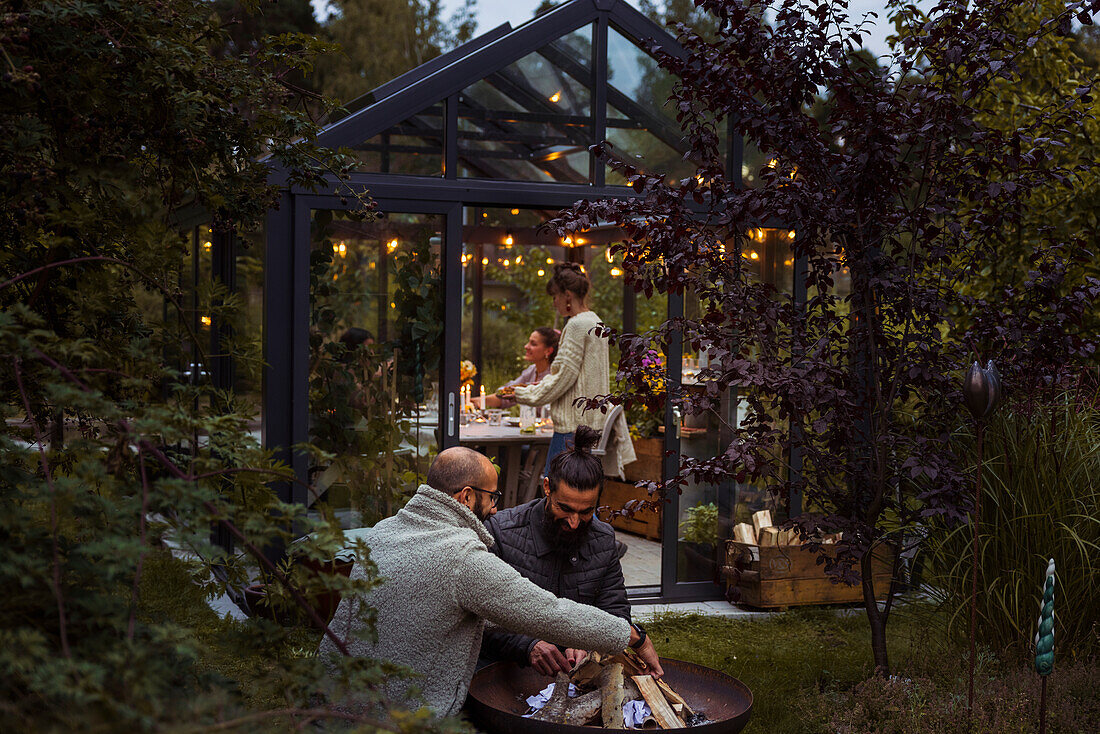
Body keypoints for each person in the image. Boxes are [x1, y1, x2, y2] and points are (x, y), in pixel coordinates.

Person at [318, 446, 647, 716]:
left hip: (328, 700)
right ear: (465, 497)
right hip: (398, 716)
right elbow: (546, 612)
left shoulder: (382, 532)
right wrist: (632, 636)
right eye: (492, 496)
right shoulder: (463, 556)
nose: (493, 508)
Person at [480, 425, 663, 678]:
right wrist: (529, 646)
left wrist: (587, 641)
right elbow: (482, 620)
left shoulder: (603, 539)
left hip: (578, 673)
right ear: (547, 488)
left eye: (586, 511)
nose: (574, 522)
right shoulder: (501, 532)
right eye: (564, 508)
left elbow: (616, 612)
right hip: (508, 670)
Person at [507, 262, 635, 477]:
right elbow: (572, 376)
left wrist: (521, 393)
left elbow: (562, 378)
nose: (554, 302)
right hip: (588, 428)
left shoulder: (576, 325)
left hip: (571, 430)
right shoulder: (596, 322)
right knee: (579, 499)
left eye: (555, 296)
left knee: (557, 495)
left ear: (567, 295)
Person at [473, 326, 559, 410]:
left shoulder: (555, 375)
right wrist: (478, 400)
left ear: (548, 351)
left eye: (533, 344)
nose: (526, 346)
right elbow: (506, 395)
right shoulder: (532, 370)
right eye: (528, 342)